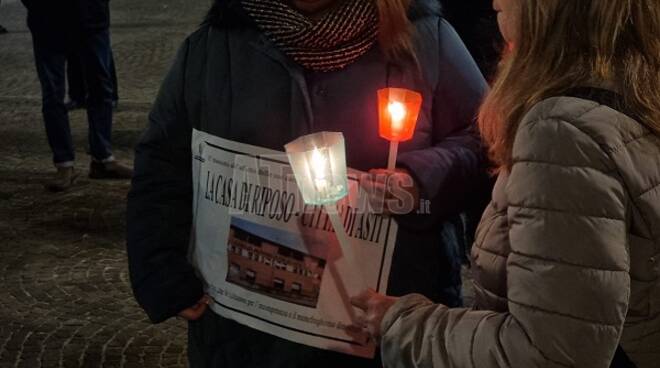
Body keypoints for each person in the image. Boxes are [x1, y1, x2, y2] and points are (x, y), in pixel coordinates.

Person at [127, 0, 489, 367]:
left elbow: (484, 138)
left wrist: (420, 178)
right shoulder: (215, 46)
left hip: (388, 327)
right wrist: (159, 268)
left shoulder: (425, 39)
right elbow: (162, 164)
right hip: (250, 338)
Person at [351, 0, 660, 367]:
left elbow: (547, 353)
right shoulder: (632, 93)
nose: (494, 0)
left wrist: (401, 322)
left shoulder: (562, 132)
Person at [21, 0, 132, 192]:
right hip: (49, 20)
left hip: (89, 18)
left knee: (100, 89)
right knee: (54, 95)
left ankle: (102, 158)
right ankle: (65, 164)